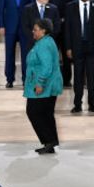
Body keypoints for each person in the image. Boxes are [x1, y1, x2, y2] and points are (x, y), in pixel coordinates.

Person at [24, 18, 63, 155]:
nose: (33, 32)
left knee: (34, 112)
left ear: (43, 30)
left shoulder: (44, 44)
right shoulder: (46, 41)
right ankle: (50, 143)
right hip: (49, 85)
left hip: (43, 86)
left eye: (35, 29)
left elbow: (47, 66)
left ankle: (49, 141)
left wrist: (39, 83)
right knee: (46, 114)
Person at [65, 0, 94, 113]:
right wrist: (68, 47)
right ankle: (77, 104)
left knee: (92, 77)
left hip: (93, 47)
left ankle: (92, 104)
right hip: (77, 46)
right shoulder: (70, 7)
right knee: (78, 77)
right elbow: (67, 29)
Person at [0, 0, 35, 88]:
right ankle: (9, 79)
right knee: (9, 53)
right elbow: (0, 9)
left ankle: (26, 79)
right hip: (10, 26)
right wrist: (1, 25)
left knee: (26, 54)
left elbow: (33, 9)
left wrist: (33, 26)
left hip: (25, 27)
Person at [47, 0, 77, 84]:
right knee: (52, 54)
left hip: (66, 27)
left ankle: (66, 79)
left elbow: (74, 7)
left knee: (66, 55)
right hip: (52, 27)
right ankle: (52, 78)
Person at [21, 0, 60, 71]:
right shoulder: (28, 9)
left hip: (48, 45)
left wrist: (46, 40)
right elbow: (25, 27)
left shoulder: (53, 9)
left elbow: (57, 27)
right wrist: (35, 38)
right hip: (32, 44)